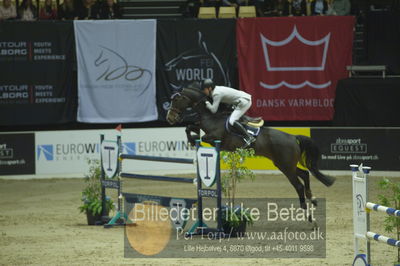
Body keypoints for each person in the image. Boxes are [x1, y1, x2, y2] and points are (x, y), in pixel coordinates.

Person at [201, 79, 256, 147]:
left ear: (209, 88)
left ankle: (249, 137)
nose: (203, 91)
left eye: (204, 89)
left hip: (244, 101)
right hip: (241, 100)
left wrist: (206, 103)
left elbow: (213, 110)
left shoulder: (216, 94)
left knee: (231, 121)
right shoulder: (215, 90)